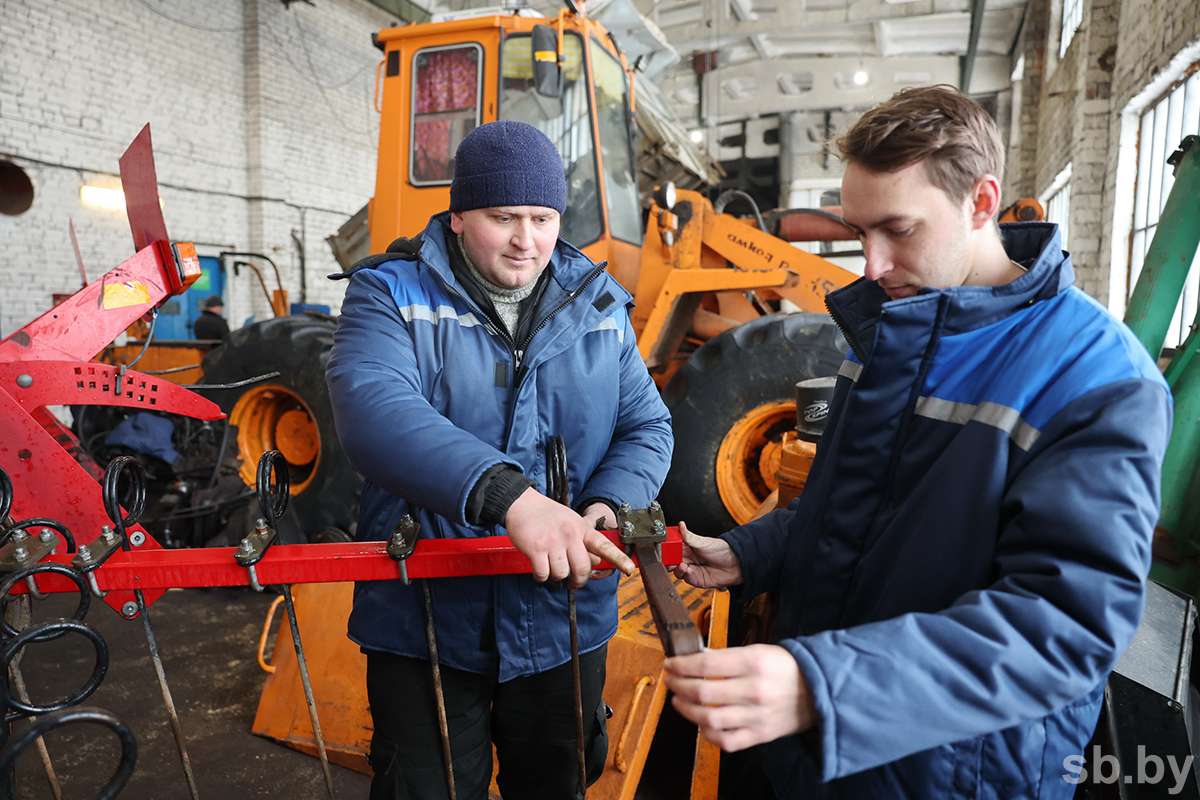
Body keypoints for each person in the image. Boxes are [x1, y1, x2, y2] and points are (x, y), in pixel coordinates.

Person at [664, 85, 1172, 799]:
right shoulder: (894, 330)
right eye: (858, 230)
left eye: (898, 230)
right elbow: (855, 513)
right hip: (821, 754)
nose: (870, 264)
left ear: (981, 202)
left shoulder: (1096, 379)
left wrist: (824, 689)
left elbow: (1063, 626)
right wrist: (751, 551)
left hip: (951, 772)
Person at [325, 120, 673, 800]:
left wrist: (608, 505)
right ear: (457, 217)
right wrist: (509, 498)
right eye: (502, 216)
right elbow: (372, 408)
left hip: (562, 613)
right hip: (423, 617)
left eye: (542, 218)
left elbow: (645, 423)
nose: (526, 239)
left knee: (556, 783)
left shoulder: (599, 304)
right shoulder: (389, 293)